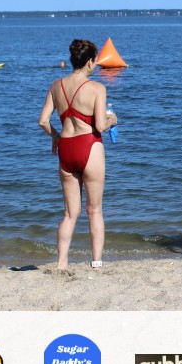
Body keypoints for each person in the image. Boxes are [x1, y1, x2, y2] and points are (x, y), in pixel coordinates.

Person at [38, 39, 118, 269]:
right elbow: (100, 125)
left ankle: (61, 263)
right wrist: (113, 119)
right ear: (90, 61)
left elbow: (43, 121)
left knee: (70, 213)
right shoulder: (97, 88)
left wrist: (55, 136)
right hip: (89, 145)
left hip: (66, 147)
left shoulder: (56, 86)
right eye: (95, 60)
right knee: (95, 210)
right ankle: (96, 262)